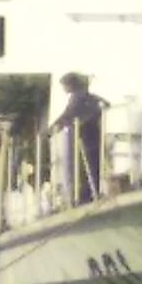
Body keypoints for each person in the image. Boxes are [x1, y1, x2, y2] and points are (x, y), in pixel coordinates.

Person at [53, 72, 109, 204]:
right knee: (94, 164)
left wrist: (56, 125)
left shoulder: (77, 97)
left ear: (70, 85)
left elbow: (68, 113)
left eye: (64, 86)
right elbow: (105, 104)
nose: (63, 89)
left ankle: (86, 195)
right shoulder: (88, 96)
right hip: (94, 133)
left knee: (85, 166)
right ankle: (93, 191)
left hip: (86, 134)